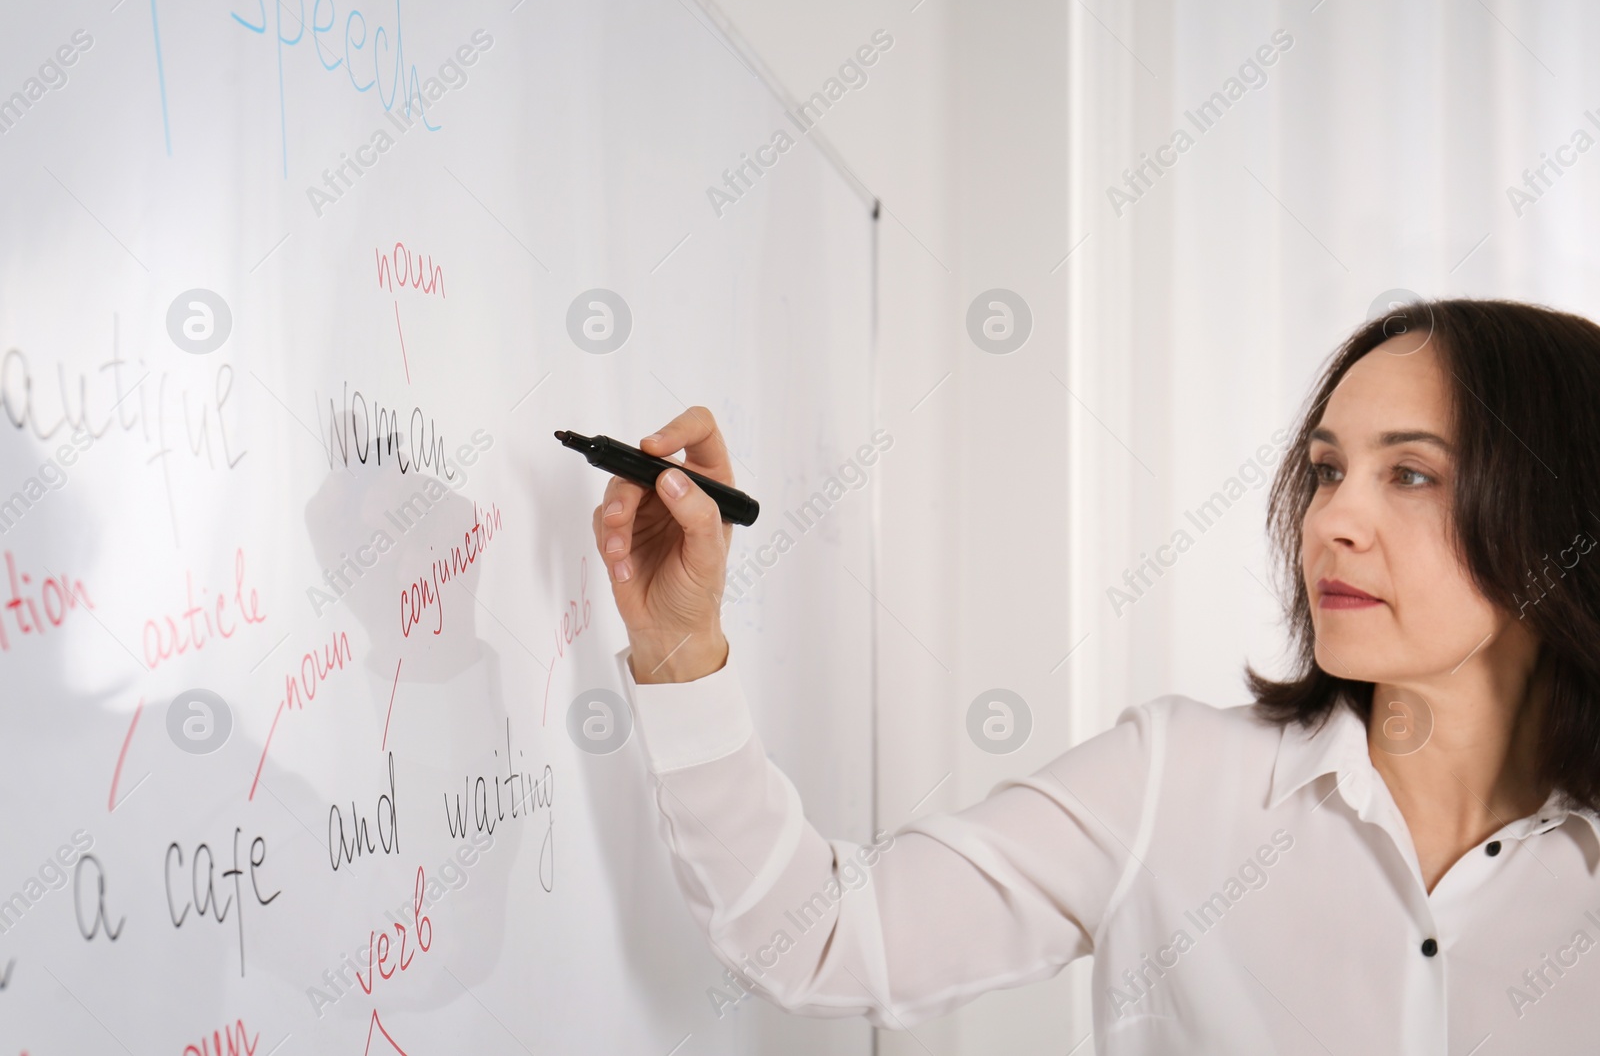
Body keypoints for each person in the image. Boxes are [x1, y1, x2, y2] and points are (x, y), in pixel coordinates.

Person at [590, 298, 1600, 1053]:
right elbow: (813, 937)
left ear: (1558, 517)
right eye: (1328, 469)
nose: (1330, 520)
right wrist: (681, 650)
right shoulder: (1177, 781)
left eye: (1411, 474)